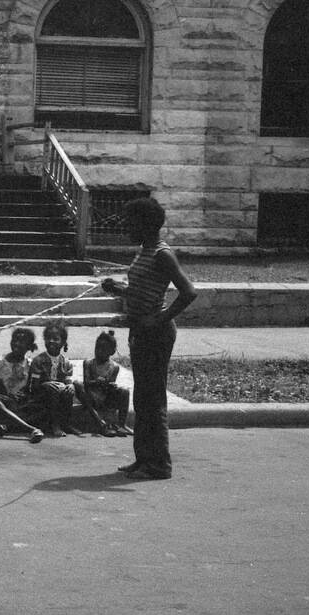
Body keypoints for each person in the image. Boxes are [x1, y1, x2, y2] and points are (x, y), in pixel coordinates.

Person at [101, 197, 198, 480]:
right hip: (141, 331)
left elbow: (189, 292)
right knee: (143, 398)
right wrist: (119, 289)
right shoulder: (145, 251)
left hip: (156, 334)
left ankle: (159, 465)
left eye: (131, 223)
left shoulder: (162, 254)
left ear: (146, 224)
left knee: (153, 400)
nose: (126, 228)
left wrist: (160, 318)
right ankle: (143, 458)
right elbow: (145, 288)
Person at [0, 327, 46, 443]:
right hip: (4, 403)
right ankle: (31, 429)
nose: (17, 344)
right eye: (15, 340)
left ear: (29, 347)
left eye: (22, 342)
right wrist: (6, 395)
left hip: (21, 404)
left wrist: (25, 394)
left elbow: (32, 388)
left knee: (43, 406)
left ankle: (8, 426)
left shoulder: (31, 364)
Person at [73, 329, 131, 437]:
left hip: (105, 398)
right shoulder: (88, 363)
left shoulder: (114, 367)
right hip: (91, 396)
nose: (99, 351)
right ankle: (100, 422)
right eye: (97, 348)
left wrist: (110, 385)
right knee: (77, 384)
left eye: (103, 349)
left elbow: (109, 387)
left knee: (125, 391)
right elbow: (86, 383)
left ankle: (121, 424)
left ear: (111, 352)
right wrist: (97, 382)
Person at [27, 320, 79, 438]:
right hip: (40, 395)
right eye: (48, 338)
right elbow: (33, 386)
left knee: (69, 391)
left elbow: (68, 380)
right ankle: (55, 425)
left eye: (55, 339)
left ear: (63, 342)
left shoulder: (66, 362)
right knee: (52, 389)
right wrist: (45, 384)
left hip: (59, 396)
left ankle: (66, 423)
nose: (51, 341)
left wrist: (70, 385)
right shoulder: (38, 360)